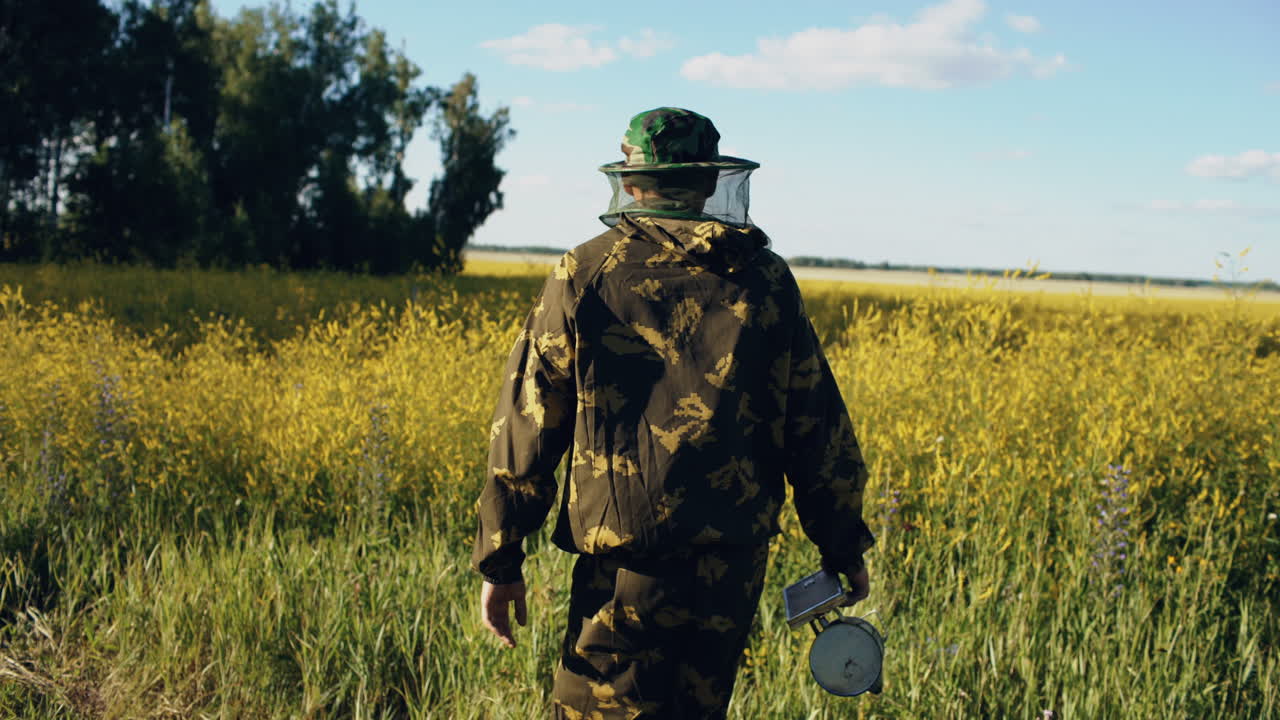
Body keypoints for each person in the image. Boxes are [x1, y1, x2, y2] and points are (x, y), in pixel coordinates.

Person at [473, 107, 875, 719]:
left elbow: (526, 428)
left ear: (631, 184)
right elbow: (818, 431)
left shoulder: (584, 273)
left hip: (626, 570)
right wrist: (841, 547)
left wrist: (501, 559)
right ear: (710, 181)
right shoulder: (766, 281)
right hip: (733, 571)